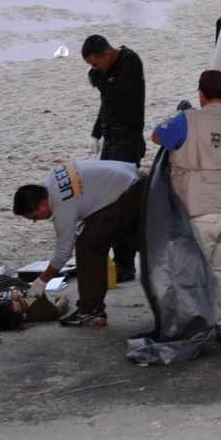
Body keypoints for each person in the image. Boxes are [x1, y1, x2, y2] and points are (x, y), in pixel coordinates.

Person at [152, 70, 221, 346]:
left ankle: (191, 329)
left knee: (190, 273)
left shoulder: (189, 120)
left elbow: (157, 137)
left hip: (199, 212)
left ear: (200, 93)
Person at [13, 160, 144, 327]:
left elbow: (63, 253)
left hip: (129, 192)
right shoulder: (53, 175)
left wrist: (41, 281)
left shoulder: (61, 208)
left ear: (43, 204)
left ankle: (90, 311)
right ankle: (173, 283)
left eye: (34, 217)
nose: (36, 221)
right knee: (142, 241)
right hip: (134, 178)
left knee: (88, 246)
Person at [82, 34, 147, 282]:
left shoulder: (130, 62)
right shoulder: (105, 72)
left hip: (127, 142)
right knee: (105, 203)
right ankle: (111, 261)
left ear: (107, 54)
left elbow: (115, 93)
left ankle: (125, 265)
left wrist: (97, 78)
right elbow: (106, 103)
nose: (94, 70)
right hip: (111, 140)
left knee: (122, 205)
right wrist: (96, 133)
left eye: (96, 65)